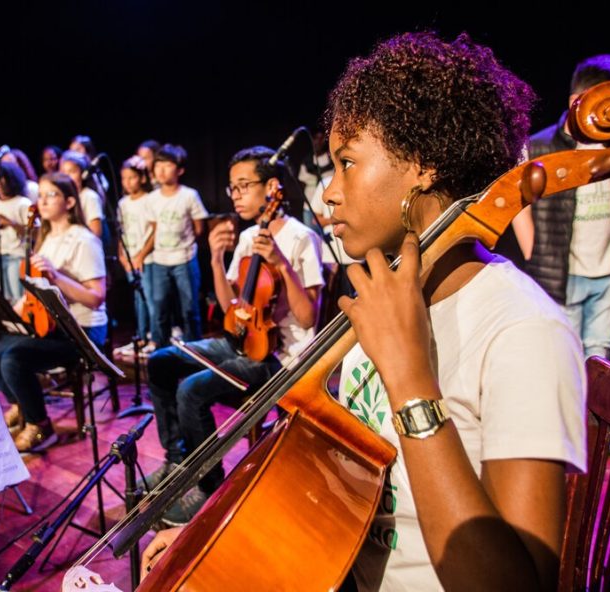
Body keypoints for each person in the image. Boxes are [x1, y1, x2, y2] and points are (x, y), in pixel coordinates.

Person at [142, 32, 586, 592]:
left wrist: (410, 380)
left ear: (423, 165)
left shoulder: (522, 331)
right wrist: (211, 535)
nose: (328, 193)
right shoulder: (386, 297)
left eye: (347, 163)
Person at [144, 145, 323, 525]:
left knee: (191, 390)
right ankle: (177, 460)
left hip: (280, 357)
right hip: (241, 340)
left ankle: (209, 486)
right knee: (160, 362)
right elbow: (233, 309)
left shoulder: (301, 237)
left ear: (271, 188)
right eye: (233, 188)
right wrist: (214, 259)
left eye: (243, 186)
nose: (236, 196)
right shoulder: (247, 237)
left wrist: (281, 264)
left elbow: (309, 317)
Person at [512, 54, 610, 359]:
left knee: (599, 361)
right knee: (565, 356)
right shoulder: (540, 147)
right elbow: (521, 204)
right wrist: (535, 252)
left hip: (609, 274)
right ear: (578, 101)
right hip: (563, 276)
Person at [0, 172, 107, 453]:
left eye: (51, 195)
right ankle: (21, 405)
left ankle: (40, 425)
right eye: (40, 195)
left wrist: (56, 277)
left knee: (14, 359)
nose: (42, 201)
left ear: (69, 202)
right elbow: (32, 295)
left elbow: (96, 297)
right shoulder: (46, 239)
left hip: (82, 330)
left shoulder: (83, 240)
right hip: (51, 327)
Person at [146, 144, 209, 347]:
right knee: (160, 307)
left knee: (189, 307)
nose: (161, 170)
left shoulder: (189, 195)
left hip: (184, 259)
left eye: (167, 165)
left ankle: (195, 349)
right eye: (158, 165)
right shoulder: (152, 199)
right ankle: (160, 350)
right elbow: (154, 229)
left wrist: (186, 244)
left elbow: (199, 227)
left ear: (179, 170)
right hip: (160, 261)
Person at [114, 155, 156, 357]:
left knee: (150, 298)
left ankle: (154, 337)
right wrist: (122, 256)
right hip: (130, 259)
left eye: (132, 177)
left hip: (146, 258)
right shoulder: (122, 203)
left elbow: (155, 229)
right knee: (138, 299)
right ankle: (140, 336)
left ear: (142, 178)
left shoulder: (150, 200)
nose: (128, 182)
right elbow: (121, 232)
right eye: (124, 178)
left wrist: (141, 255)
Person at [0, 161, 32, 303]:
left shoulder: (22, 203)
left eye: (1, 177)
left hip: (15, 255)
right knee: (3, 299)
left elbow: (34, 233)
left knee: (18, 298)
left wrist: (10, 223)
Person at [59, 150, 106, 238]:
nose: (67, 176)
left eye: (72, 172)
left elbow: (96, 233)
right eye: (63, 172)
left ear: (83, 174)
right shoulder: (61, 198)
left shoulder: (89, 197)